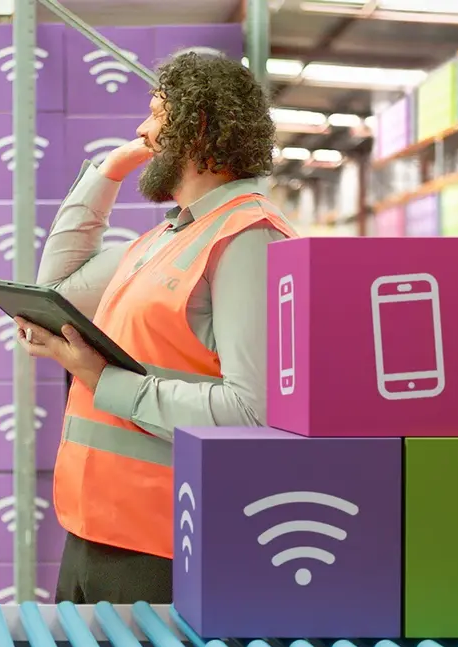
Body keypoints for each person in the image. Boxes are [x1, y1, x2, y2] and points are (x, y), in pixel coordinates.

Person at [15, 52, 300, 604]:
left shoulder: (248, 239)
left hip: (166, 544)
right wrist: (108, 172)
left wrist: (106, 381)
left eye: (154, 114)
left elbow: (255, 412)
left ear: (194, 126)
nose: (143, 130)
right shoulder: (162, 239)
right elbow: (53, 291)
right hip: (93, 529)